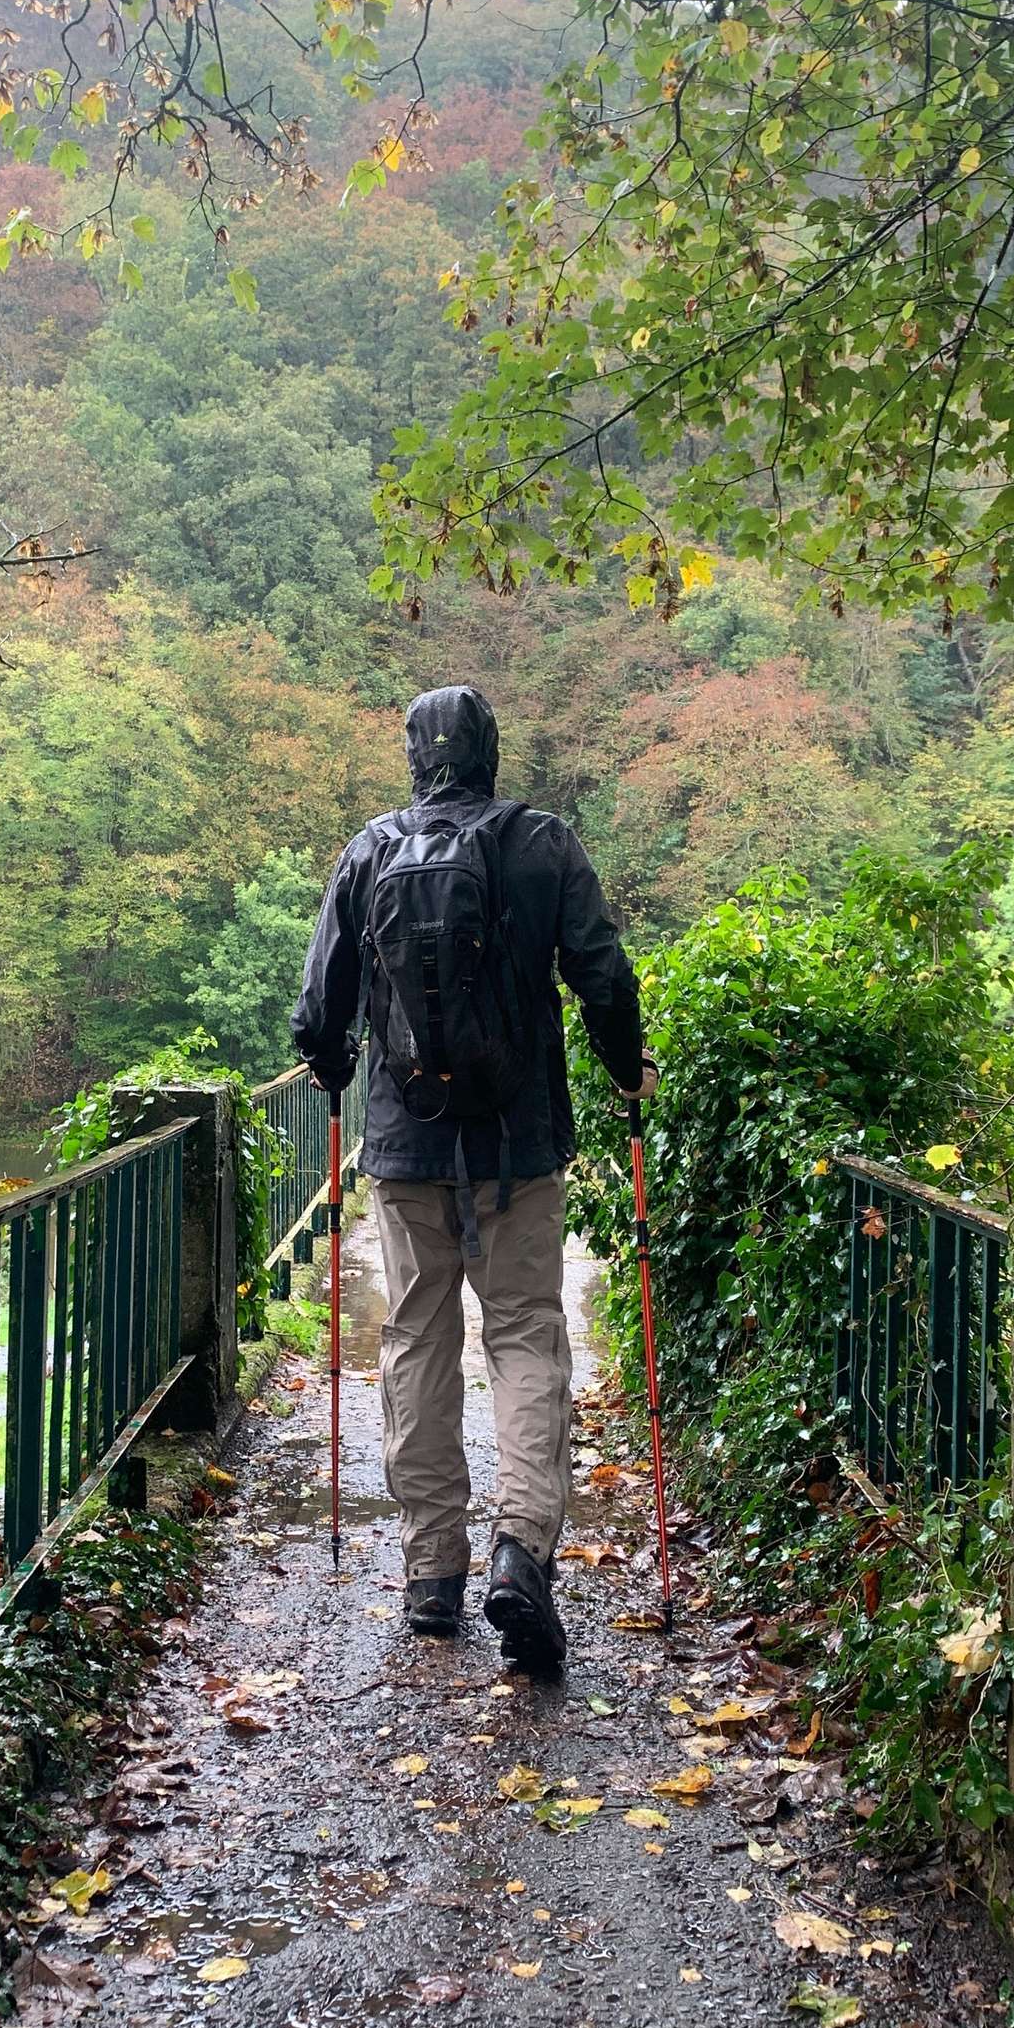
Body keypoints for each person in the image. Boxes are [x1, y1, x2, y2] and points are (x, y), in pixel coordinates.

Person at [291, 684, 655, 1678]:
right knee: (525, 1332)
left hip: (406, 1148)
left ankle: (430, 1574)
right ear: (492, 752)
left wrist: (332, 1067)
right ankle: (520, 1549)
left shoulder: (369, 851)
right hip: (518, 1146)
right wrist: (625, 1068)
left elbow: (318, 1011)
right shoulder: (542, 842)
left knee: (417, 1336)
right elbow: (603, 976)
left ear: (414, 758)